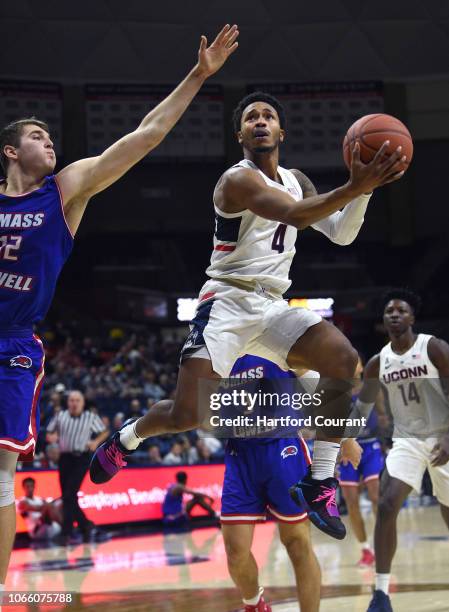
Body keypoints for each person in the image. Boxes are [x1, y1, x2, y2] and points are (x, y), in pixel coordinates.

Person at [91, 90, 406, 541]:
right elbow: (296, 217)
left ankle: (319, 481)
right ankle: (127, 438)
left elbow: (340, 234)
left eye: (269, 116)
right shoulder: (235, 181)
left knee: (342, 359)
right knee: (187, 415)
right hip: (226, 303)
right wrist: (356, 185)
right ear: (239, 133)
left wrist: (365, 192)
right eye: (252, 117)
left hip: (272, 304)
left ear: (281, 131)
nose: (260, 121)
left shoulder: (298, 178)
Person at [0, 23, 238, 584]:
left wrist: (198, 75)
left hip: (11, 346)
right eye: (37, 136)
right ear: (10, 150)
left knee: (0, 477)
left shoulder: (64, 189)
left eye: (50, 137)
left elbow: (145, 135)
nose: (50, 142)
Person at [220, 354, 362, 612]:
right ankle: (254, 604)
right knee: (235, 551)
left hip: (283, 450)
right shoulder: (217, 347)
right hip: (239, 455)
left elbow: (320, 389)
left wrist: (346, 437)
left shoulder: (278, 340)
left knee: (297, 544)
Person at [354, 290, 449, 612]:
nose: (394, 315)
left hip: (442, 437)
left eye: (401, 310)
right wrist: (342, 438)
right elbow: (361, 409)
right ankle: (381, 593)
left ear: (412, 318)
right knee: (387, 503)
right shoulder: (377, 363)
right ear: (383, 322)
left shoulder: (433, 347)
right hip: (406, 440)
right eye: (389, 312)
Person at [46, 390, 109, 542]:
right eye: (71, 400)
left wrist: (95, 442)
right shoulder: (60, 416)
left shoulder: (90, 417)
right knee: (68, 497)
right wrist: (51, 437)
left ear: (82, 403)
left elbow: (105, 432)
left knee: (69, 495)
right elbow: (49, 433)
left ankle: (66, 533)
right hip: (65, 458)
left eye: (77, 400)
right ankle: (85, 526)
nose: (74, 403)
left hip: (81, 459)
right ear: (68, 402)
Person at [339, 358, 384, 567]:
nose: (351, 364)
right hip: (348, 449)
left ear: (362, 367)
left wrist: (387, 443)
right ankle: (366, 549)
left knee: (376, 495)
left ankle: (381, 544)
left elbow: (384, 417)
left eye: (355, 361)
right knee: (351, 501)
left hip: (371, 445)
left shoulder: (372, 388)